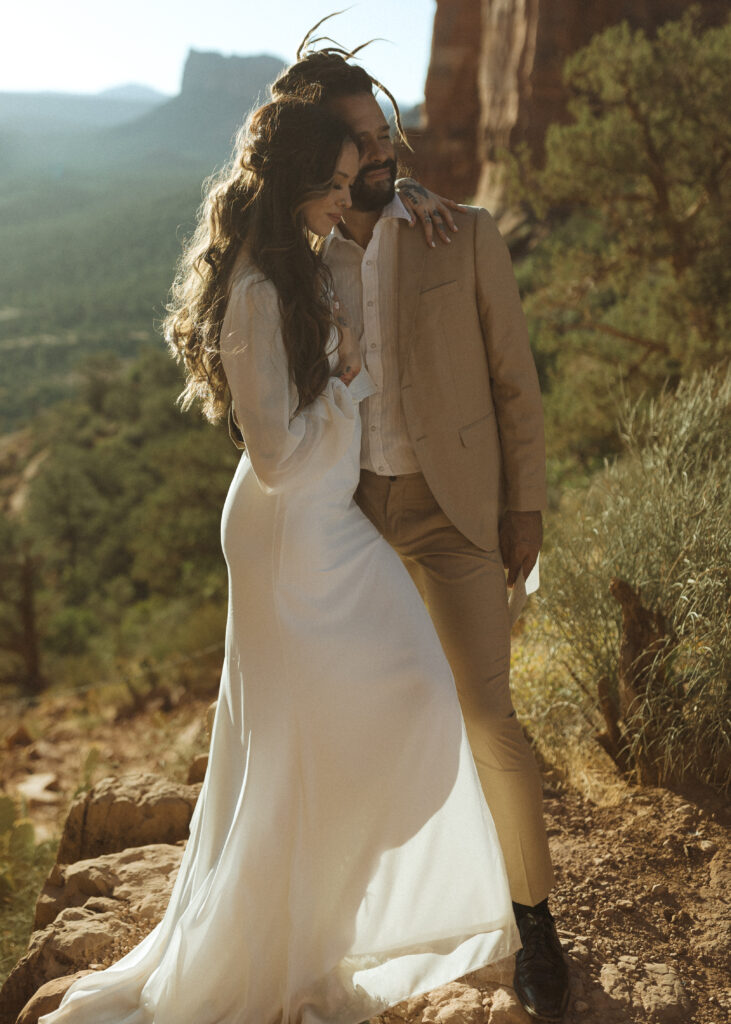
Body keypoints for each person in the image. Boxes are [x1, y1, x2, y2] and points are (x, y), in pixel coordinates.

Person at [39, 97, 519, 1024]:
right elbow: (275, 452)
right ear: (297, 179)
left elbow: (370, 220)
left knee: (385, 709)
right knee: (332, 732)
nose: (345, 199)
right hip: (294, 533)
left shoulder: (293, 260)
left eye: (351, 182)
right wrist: (343, 385)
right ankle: (279, 960)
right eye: (333, 184)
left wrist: (403, 191)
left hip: (320, 525)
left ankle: (313, 942)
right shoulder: (258, 290)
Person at [271, 37, 570, 1024]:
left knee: (487, 721)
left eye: (381, 130)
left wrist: (520, 503)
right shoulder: (305, 258)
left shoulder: (464, 234)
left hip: (451, 516)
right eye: (355, 142)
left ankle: (534, 928)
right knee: (359, 730)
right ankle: (348, 925)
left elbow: (512, 384)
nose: (377, 152)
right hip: (351, 523)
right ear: (326, 157)